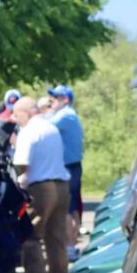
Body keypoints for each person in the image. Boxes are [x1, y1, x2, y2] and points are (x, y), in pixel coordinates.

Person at [12, 97, 70, 273]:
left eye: (16, 114)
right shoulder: (51, 128)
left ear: (26, 112)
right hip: (61, 185)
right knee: (56, 239)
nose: (14, 118)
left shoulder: (28, 131)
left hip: (40, 188)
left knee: (31, 236)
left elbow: (22, 163)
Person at [47, 85, 84, 261]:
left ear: (66, 99)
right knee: (73, 206)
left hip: (68, 167)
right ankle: (73, 242)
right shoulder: (68, 115)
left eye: (56, 98)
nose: (51, 101)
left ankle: (69, 246)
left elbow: (46, 126)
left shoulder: (65, 115)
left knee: (67, 208)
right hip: (73, 166)